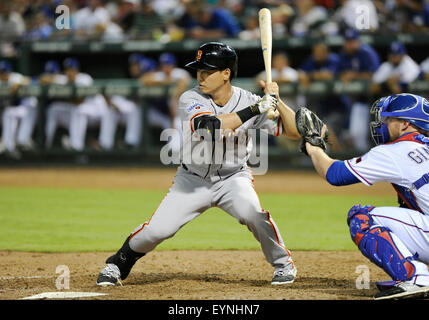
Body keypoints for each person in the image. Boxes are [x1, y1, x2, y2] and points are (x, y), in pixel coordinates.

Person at [96, 42, 301, 287]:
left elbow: (293, 132)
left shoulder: (249, 100)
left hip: (233, 179)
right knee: (158, 231)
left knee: (254, 215)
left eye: (208, 71)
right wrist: (257, 107)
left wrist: (278, 101)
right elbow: (209, 126)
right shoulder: (191, 97)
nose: (200, 76)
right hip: (192, 180)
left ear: (226, 73)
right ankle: (117, 262)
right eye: (199, 70)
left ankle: (284, 265)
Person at [299, 93, 429, 300]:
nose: (382, 124)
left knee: (362, 218)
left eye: (388, 119)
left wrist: (314, 148)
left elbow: (335, 174)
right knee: (409, 209)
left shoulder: (397, 150)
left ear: (405, 124)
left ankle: (417, 278)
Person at [45, 58, 109, 151]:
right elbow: (44, 78)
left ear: (77, 71)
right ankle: (46, 144)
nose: (69, 73)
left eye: (72, 70)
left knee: (78, 108)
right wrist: (49, 79)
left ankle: (76, 146)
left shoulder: (84, 78)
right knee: (54, 109)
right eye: (67, 70)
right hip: (81, 113)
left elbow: (79, 100)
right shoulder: (65, 79)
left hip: (97, 113)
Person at [338, 29, 380, 152]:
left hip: (375, 99)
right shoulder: (344, 55)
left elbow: (375, 75)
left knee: (375, 135)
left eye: (352, 41)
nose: (350, 44)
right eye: (347, 41)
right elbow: (340, 74)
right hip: (358, 100)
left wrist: (354, 76)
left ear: (358, 41)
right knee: (357, 135)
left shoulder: (367, 53)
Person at [0, 60, 37, 159]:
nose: (3, 75)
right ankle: (9, 147)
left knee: (30, 105)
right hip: (7, 110)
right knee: (8, 113)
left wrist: (19, 83)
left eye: (5, 72)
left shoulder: (15, 77)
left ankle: (22, 141)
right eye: (1, 73)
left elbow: (31, 80)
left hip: (21, 107)